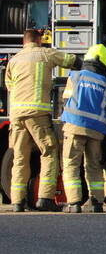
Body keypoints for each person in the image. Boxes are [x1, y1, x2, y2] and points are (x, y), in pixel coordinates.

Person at [4, 29, 81, 212]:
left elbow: (9, 87)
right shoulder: (45, 54)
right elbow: (73, 61)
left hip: (16, 116)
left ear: (24, 41)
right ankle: (45, 198)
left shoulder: (13, 61)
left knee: (20, 158)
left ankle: (17, 202)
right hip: (37, 114)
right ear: (38, 40)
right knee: (49, 152)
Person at [60, 44, 106, 213]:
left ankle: (74, 203)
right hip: (97, 130)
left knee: (71, 164)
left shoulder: (75, 76)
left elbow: (65, 100)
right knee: (93, 166)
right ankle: (97, 202)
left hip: (74, 126)